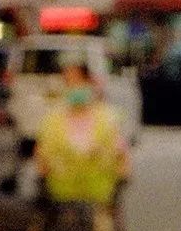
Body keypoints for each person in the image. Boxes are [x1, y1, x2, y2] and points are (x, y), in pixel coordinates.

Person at [33, 60, 130, 206]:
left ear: (89, 83)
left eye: (78, 81)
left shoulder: (107, 118)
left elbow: (121, 156)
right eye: (68, 82)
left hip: (100, 200)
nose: (73, 87)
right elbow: (41, 157)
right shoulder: (53, 120)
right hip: (61, 202)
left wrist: (120, 184)